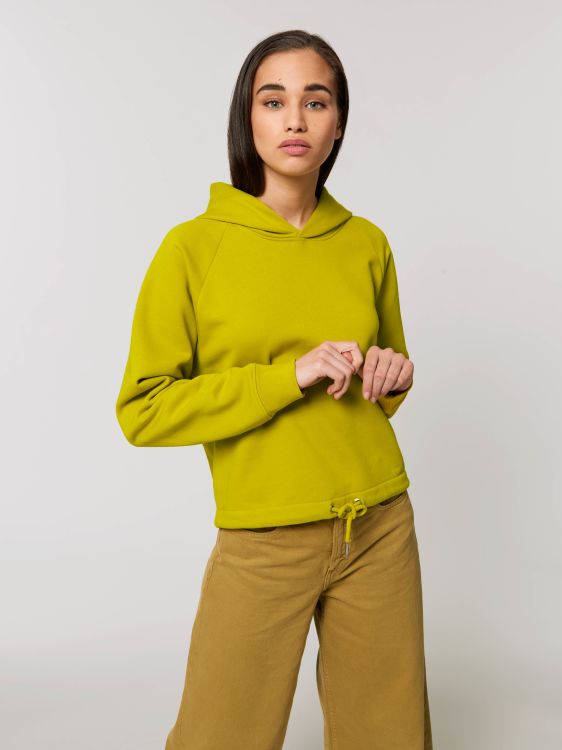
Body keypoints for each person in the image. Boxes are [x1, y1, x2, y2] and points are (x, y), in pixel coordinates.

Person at [115, 28, 433, 750]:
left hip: (380, 525)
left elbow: (384, 381)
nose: (295, 119)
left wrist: (395, 374)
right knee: (218, 736)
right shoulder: (193, 248)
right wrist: (288, 376)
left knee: (389, 737)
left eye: (315, 101)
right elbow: (144, 409)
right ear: (247, 117)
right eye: (273, 100)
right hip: (263, 537)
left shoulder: (366, 242)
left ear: (338, 124)